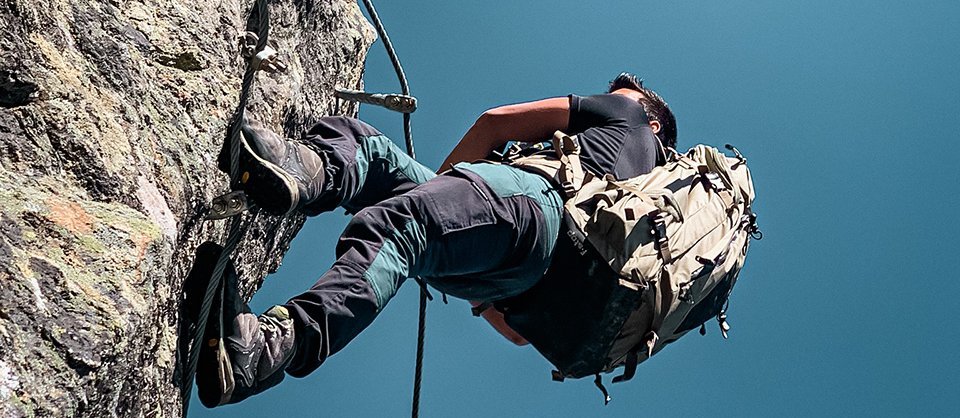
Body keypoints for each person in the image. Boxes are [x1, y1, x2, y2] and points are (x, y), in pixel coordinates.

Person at [197, 72, 677, 407]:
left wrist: (442, 198)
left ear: (650, 120)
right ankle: (303, 171)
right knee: (375, 153)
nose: (610, 96)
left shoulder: (629, 116)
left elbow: (496, 122)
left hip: (534, 201)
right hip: (519, 277)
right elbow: (516, 334)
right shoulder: (643, 223)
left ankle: (266, 351)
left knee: (402, 226)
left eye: (619, 94)